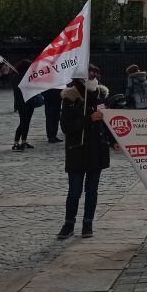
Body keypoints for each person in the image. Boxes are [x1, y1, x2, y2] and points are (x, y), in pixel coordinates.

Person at [57, 64, 111, 239]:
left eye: (95, 73)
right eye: (89, 73)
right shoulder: (70, 97)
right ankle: (69, 224)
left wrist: (113, 141)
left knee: (92, 190)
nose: (93, 76)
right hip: (77, 150)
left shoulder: (101, 95)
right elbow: (66, 127)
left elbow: (109, 122)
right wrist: (88, 119)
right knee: (75, 190)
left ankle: (88, 223)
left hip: (97, 150)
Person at [11, 59, 38, 150]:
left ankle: (24, 141)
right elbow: (20, 89)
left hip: (29, 102)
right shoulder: (17, 77)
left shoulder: (28, 76)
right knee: (23, 122)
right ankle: (16, 143)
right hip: (22, 102)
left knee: (27, 122)